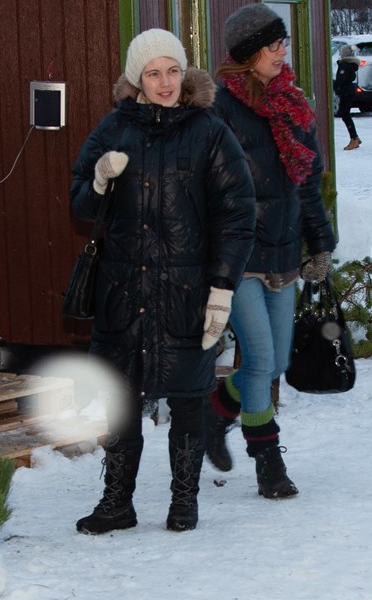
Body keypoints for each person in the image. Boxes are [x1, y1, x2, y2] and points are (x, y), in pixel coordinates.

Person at [70, 30, 255, 534]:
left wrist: (222, 287)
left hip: (185, 292)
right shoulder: (112, 130)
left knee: (189, 397)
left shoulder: (210, 132)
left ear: (185, 73)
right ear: (137, 78)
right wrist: (100, 182)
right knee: (121, 398)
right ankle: (117, 503)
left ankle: (184, 500)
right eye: (153, 73)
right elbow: (79, 204)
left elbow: (237, 215)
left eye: (173, 70)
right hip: (124, 290)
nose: (165, 82)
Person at [204, 4, 338, 498]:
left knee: (276, 361)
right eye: (274, 45)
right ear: (249, 53)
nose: (283, 52)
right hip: (238, 257)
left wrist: (320, 241)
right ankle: (268, 463)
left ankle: (214, 413)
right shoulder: (218, 108)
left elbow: (308, 184)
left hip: (283, 252)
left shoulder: (293, 104)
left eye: (283, 43)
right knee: (259, 358)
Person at [334, 44, 363, 150]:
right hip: (349, 91)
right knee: (345, 114)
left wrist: (333, 85)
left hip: (346, 92)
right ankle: (355, 137)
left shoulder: (345, 65)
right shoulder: (349, 64)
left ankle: (354, 138)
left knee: (345, 114)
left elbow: (341, 80)